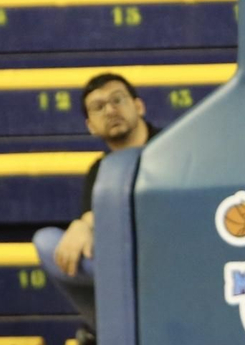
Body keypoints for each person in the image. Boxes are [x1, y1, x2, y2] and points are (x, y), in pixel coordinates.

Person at [32, 71, 158, 331]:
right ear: (90, 125)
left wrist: (87, 223)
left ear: (138, 106)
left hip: (169, 260)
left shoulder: (170, 149)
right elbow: (92, 238)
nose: (110, 110)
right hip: (128, 267)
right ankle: (120, 327)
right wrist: (83, 226)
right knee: (45, 242)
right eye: (98, 107)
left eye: (117, 100)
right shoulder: (99, 171)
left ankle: (125, 323)